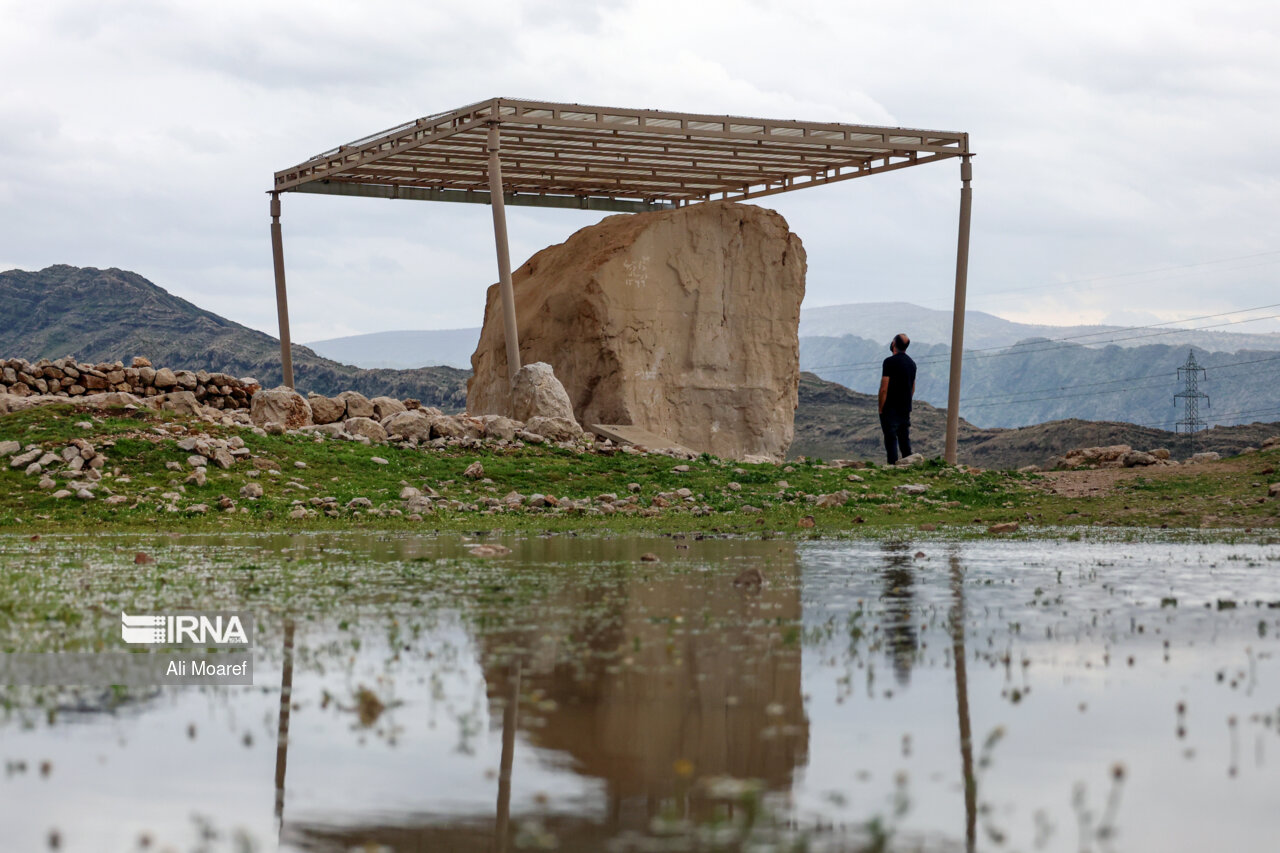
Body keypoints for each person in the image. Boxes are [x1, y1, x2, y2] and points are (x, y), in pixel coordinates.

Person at [878, 333, 916, 464]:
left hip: (890, 408)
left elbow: (884, 388)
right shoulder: (912, 363)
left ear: (894, 344)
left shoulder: (889, 362)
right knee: (904, 438)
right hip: (905, 407)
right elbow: (912, 388)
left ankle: (892, 466)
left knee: (891, 438)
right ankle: (909, 464)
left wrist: (881, 408)